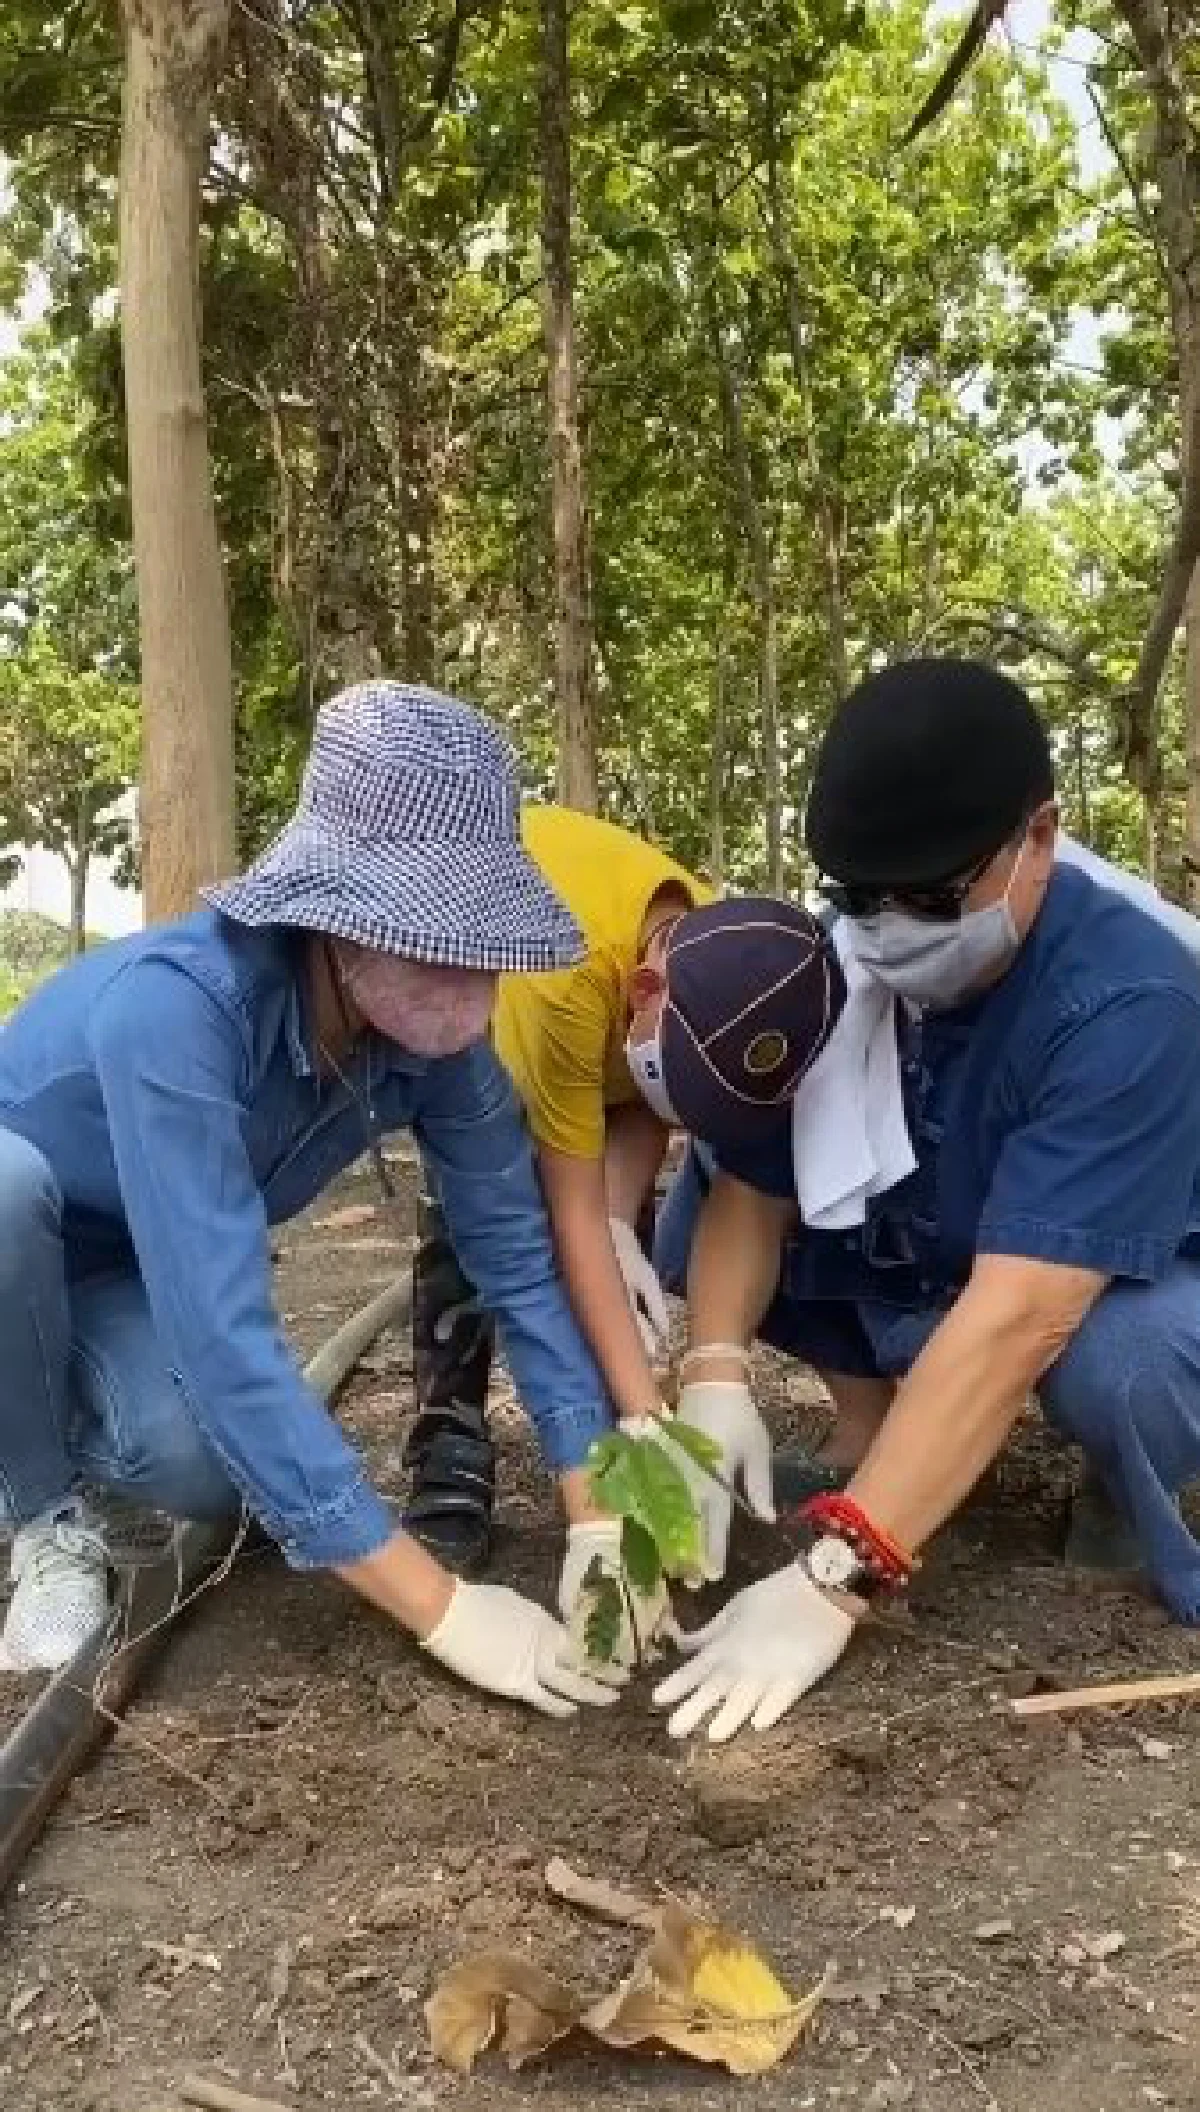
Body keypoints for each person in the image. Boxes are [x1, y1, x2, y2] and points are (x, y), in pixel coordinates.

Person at [0, 680, 620, 1725]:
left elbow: (514, 1255)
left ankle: (55, 1415)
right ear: (338, 919)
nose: (465, 974)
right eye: (435, 936)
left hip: (120, 1274)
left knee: (204, 1468)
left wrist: (595, 1506)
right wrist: (441, 1608)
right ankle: (42, 1506)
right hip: (24, 1240)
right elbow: (222, 1329)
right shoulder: (180, 1011)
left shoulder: (434, 1047)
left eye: (480, 942)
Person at [647, 658, 1200, 1744]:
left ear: (1038, 837)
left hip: (1140, 1260)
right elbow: (754, 1187)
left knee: (1120, 1361)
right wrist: (710, 1376)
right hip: (959, 1226)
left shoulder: (1133, 997)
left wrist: (840, 1569)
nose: (891, 930)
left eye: (933, 900)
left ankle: (1130, 1477)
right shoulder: (844, 960)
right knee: (697, 1198)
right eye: (860, 899)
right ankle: (883, 1433)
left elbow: (1027, 1308)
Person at [401, 808, 710, 1585]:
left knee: (607, 1243)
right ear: (642, 988)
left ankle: (609, 1444)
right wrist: (651, 1412)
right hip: (498, 1017)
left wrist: (618, 1223)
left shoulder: (715, 943)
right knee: (481, 1229)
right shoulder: (562, 975)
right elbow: (561, 1216)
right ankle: (449, 1445)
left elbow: (647, 1094)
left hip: (603, 1032)